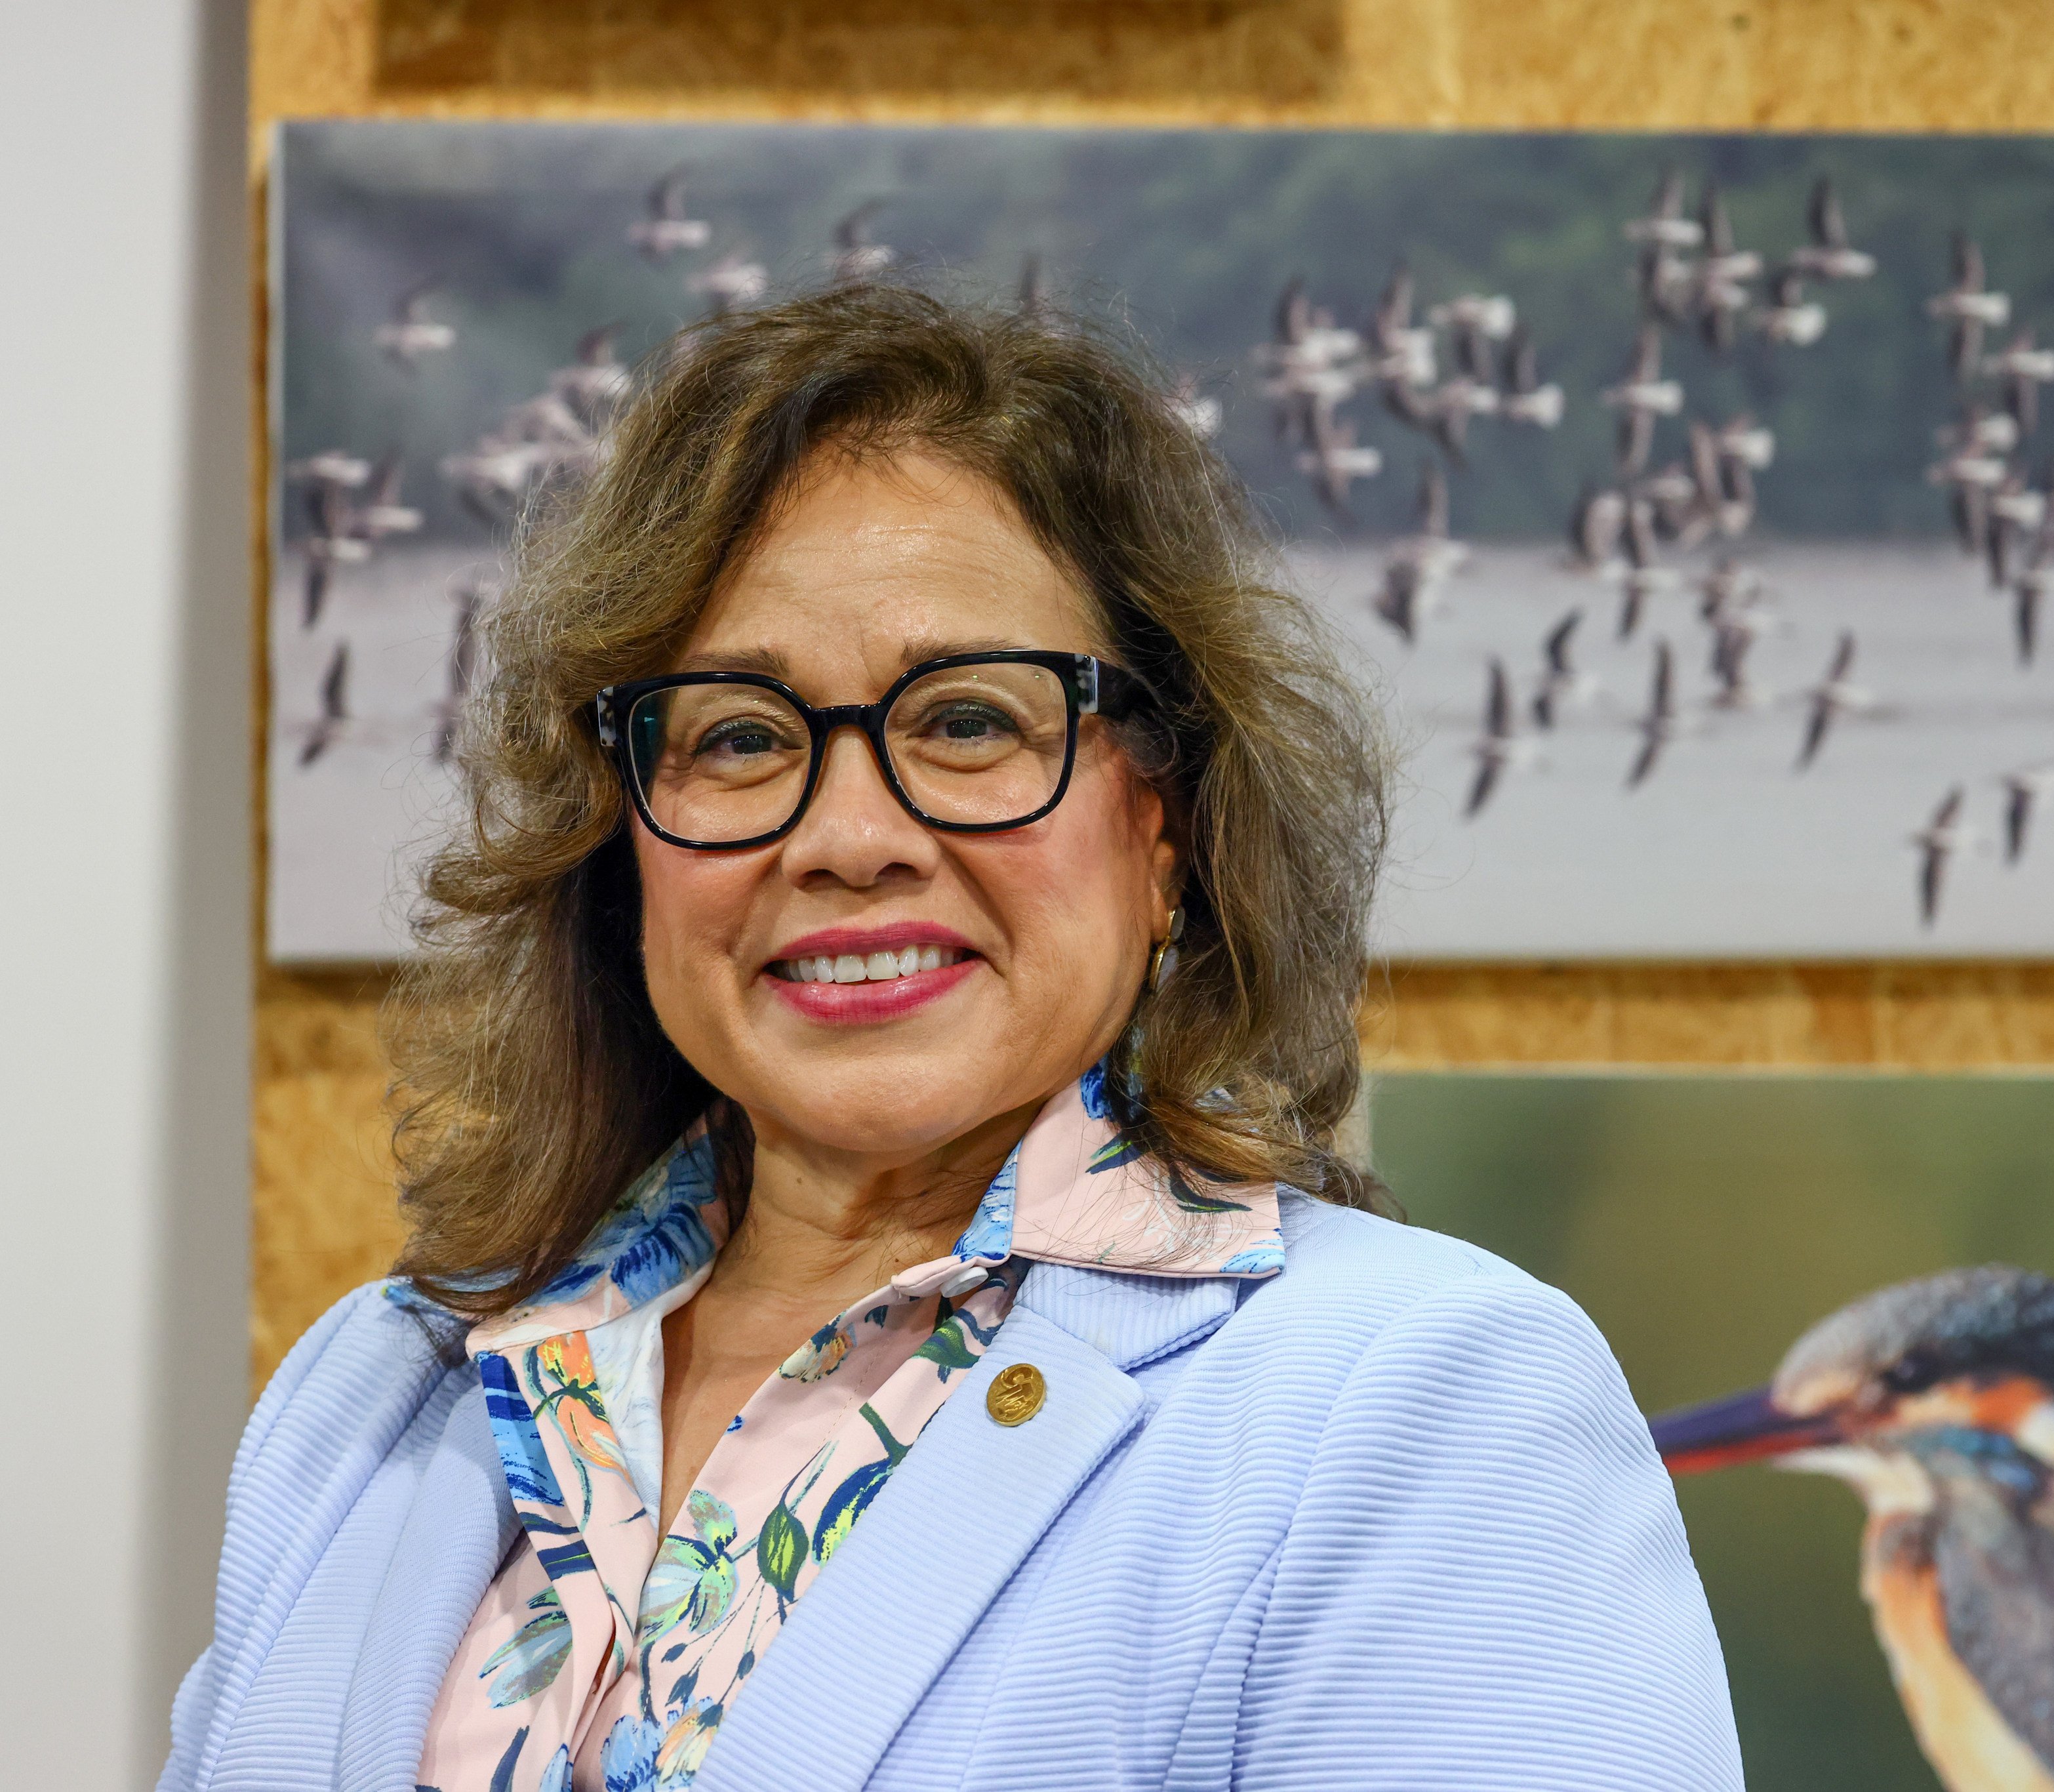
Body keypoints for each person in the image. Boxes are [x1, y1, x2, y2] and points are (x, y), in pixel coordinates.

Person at [161, 284, 1741, 1792]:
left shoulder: (1423, 1400)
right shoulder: (378, 1389)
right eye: (736, 736)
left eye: (969, 720)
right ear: (619, 840)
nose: (848, 836)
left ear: (1165, 821)